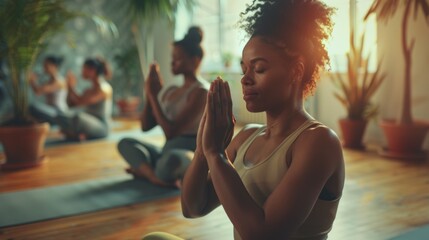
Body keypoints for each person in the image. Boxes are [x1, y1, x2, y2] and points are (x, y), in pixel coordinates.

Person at [151, 1, 344, 240]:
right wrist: (203, 150)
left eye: (259, 68)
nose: (245, 80)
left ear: (296, 71)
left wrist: (217, 155)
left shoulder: (318, 142)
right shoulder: (246, 137)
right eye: (244, 69)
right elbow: (192, 207)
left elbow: (262, 234)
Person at [117, 26, 209, 187]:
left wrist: (154, 95)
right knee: (125, 143)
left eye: (178, 58)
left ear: (195, 60)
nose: (172, 62)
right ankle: (154, 176)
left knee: (170, 160)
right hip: (165, 150)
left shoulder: (201, 92)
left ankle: (145, 171)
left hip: (186, 153)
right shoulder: (171, 91)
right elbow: (146, 126)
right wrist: (149, 94)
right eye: (172, 57)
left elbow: (171, 132)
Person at [31, 57, 113, 141]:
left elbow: (81, 102)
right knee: (67, 115)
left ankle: (71, 132)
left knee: (78, 117)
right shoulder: (88, 90)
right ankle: (73, 132)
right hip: (89, 122)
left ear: (93, 70)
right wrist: (70, 88)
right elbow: (72, 104)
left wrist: (71, 87)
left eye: (84, 69)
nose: (82, 72)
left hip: (101, 127)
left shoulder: (104, 88)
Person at [29, 55, 68, 123]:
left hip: (59, 113)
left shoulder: (59, 82)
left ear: (54, 66)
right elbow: (37, 92)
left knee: (32, 108)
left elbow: (38, 91)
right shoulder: (49, 81)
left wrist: (32, 81)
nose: (44, 68)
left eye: (46, 66)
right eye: (44, 66)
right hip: (51, 110)